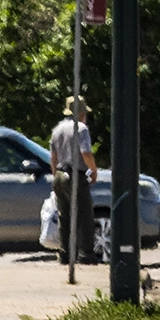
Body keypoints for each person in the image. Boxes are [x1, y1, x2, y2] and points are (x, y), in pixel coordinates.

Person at [50, 97, 98, 264]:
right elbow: (86, 153)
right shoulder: (81, 128)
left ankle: (64, 254)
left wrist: (55, 175)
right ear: (81, 113)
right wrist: (93, 170)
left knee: (65, 216)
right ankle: (86, 255)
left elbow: (53, 157)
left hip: (59, 175)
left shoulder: (57, 129)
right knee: (85, 215)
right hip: (75, 174)